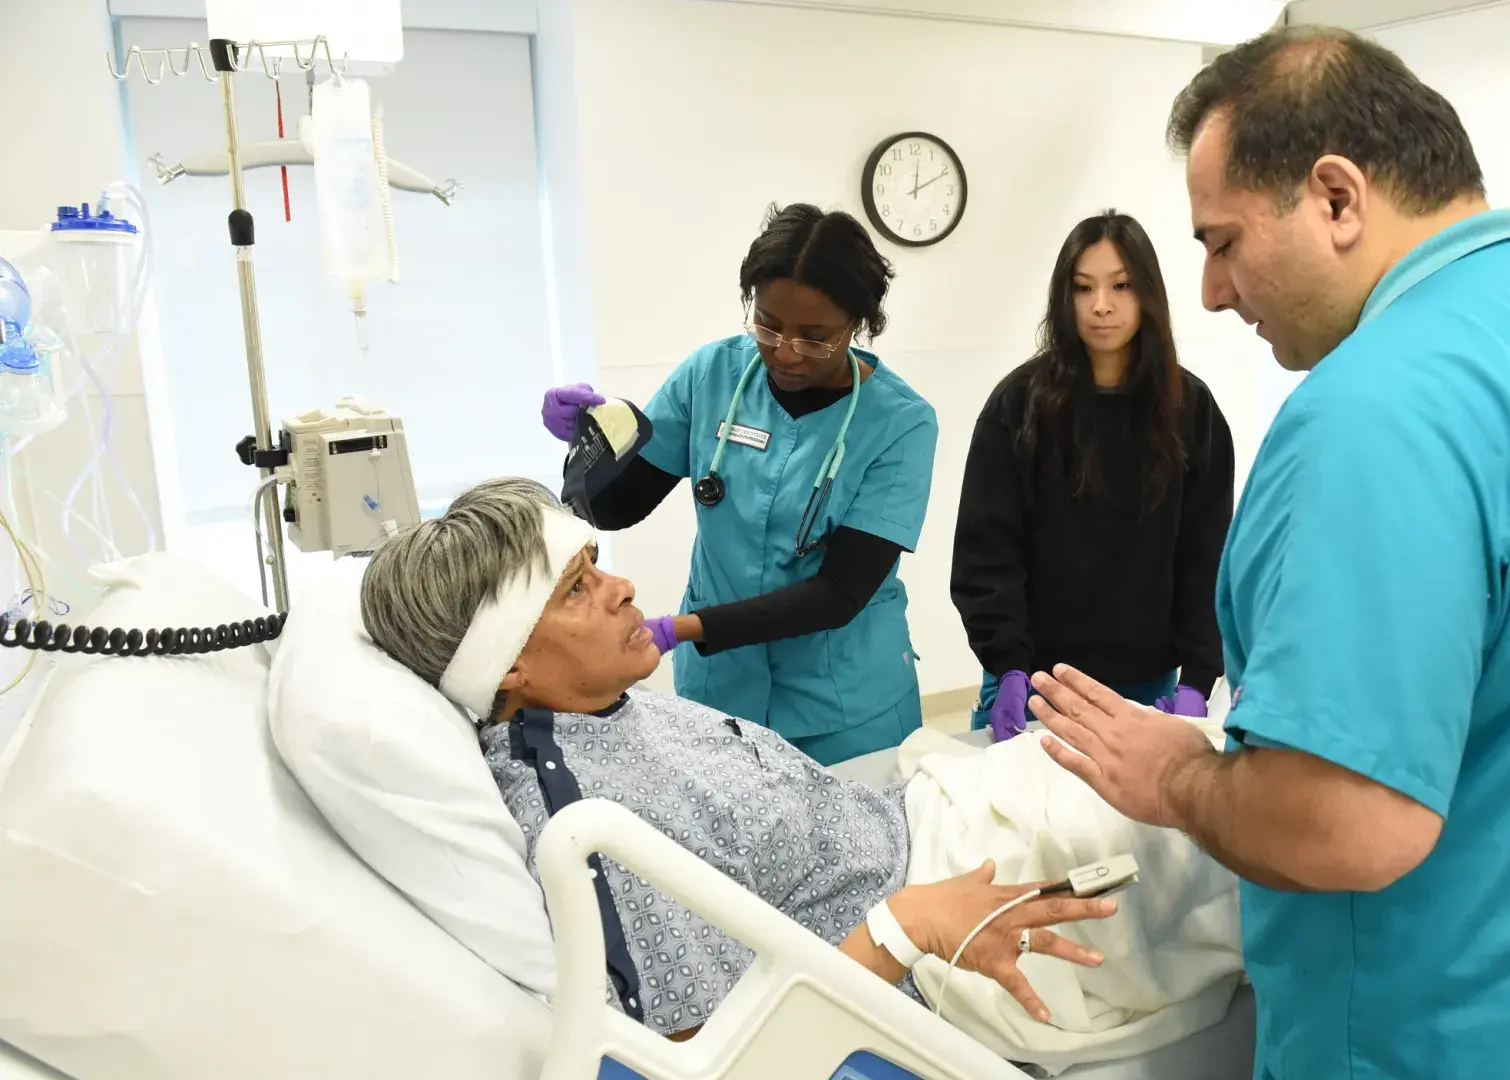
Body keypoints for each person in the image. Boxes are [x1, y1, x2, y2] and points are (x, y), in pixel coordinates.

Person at [1029, 25, 1510, 1080]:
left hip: (1450, 1024)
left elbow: (1350, 824)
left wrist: (1182, 777)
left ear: (1335, 197)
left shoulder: (1377, 406)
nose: (1213, 294)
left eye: (1223, 242)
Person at [358, 478, 1243, 1065]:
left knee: (1202, 759)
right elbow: (715, 1052)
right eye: (576, 591)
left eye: (596, 566)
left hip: (934, 823)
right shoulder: (583, 818)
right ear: (503, 664)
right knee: (1229, 828)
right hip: (945, 913)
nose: (623, 588)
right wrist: (906, 927)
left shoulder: (604, 705)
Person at [540, 204, 936, 766]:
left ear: (857, 324)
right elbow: (616, 509)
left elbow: (841, 592)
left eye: (816, 336)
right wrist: (593, 444)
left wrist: (678, 630)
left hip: (845, 707)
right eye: (769, 325)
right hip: (719, 699)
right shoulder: (712, 375)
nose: (787, 351)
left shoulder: (900, 423)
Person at [952, 211, 1233, 742]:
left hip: (1149, 687)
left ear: (1148, 293)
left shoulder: (1191, 411)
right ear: (1065, 297)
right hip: (1032, 682)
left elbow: (1208, 556)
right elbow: (986, 553)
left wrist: (1198, 676)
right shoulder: (1019, 406)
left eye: (1121, 286)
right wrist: (1008, 664)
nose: (1101, 304)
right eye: (1083, 288)